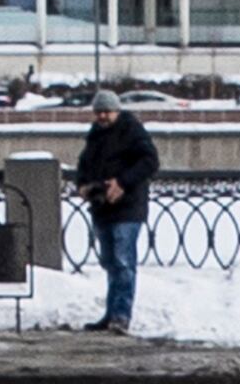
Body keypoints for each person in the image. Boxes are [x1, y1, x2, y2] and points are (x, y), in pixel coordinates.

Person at [72, 89, 159, 334]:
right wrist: (83, 185)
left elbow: (150, 161)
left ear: (117, 111)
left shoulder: (132, 131)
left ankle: (121, 315)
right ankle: (111, 315)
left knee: (123, 262)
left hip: (128, 208)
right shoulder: (96, 135)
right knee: (110, 263)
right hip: (102, 208)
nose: (102, 116)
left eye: (106, 112)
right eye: (98, 112)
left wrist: (121, 183)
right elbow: (84, 165)